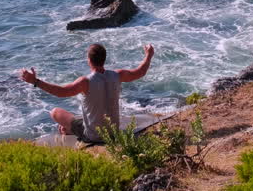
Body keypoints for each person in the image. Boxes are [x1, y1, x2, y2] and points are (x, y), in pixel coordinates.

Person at [19, 42, 154, 142]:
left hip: (93, 136)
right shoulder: (117, 75)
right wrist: (148, 55)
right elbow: (140, 72)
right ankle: (69, 129)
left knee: (55, 112)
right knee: (78, 119)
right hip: (113, 133)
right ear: (104, 59)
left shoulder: (86, 82)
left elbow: (60, 92)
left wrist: (35, 81)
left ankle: (70, 129)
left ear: (89, 61)